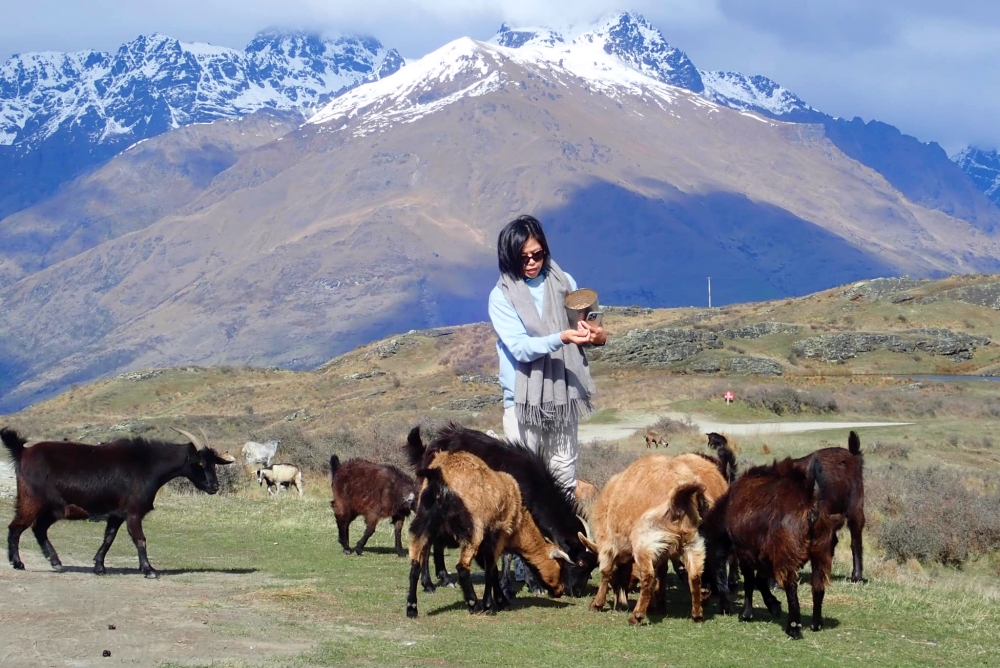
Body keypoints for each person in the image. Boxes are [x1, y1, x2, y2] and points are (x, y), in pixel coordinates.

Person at [488, 214, 606, 495]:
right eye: (523, 257)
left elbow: (584, 328)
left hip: (564, 395)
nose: (531, 263)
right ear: (509, 257)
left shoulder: (564, 282)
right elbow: (520, 348)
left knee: (564, 477)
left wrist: (597, 336)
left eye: (537, 255)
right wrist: (561, 338)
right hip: (523, 401)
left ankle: (561, 537)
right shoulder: (501, 296)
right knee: (524, 482)